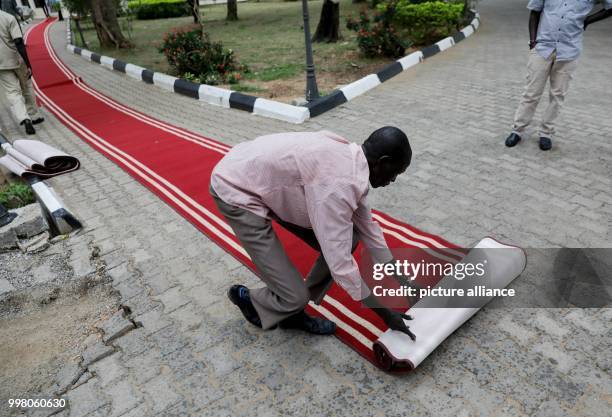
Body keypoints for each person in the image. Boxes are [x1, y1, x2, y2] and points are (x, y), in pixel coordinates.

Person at [210, 127, 416, 339]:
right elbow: (341, 266)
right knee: (295, 297)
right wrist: (386, 315)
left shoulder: (352, 162)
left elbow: (367, 227)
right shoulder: (338, 186)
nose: (393, 180)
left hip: (264, 178)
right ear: (382, 161)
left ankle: (292, 304)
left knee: (351, 235)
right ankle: (257, 301)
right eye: (396, 172)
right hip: (236, 188)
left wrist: (400, 278)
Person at [505, 0, 612, 151]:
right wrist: (533, 42)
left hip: (569, 50)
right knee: (531, 92)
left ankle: (546, 133)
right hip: (543, 48)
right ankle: (517, 130)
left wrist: (588, 20)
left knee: (558, 95)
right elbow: (534, 12)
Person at [0, 9, 43, 135]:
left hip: (1, 64)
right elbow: (18, 41)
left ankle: (24, 118)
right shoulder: (8, 18)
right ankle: (34, 115)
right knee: (27, 86)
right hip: (17, 59)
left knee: (12, 92)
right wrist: (28, 63)